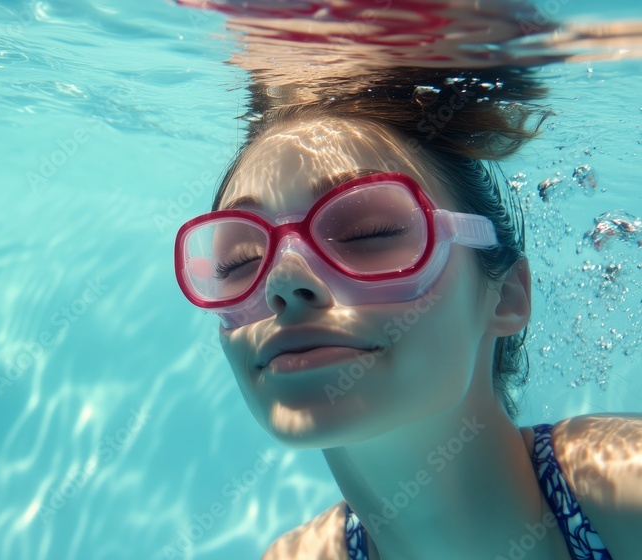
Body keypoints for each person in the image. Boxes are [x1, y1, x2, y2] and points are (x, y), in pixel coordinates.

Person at [172, 69, 641, 559]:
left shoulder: (627, 486)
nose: (282, 281)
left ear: (506, 298)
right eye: (239, 261)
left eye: (366, 232)